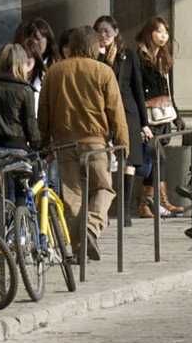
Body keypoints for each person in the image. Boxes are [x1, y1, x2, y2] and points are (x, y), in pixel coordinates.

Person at [37, 27, 130, 259]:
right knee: (103, 188)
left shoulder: (54, 72)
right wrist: (123, 143)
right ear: (93, 46)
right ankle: (91, 227)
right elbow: (115, 111)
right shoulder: (103, 71)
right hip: (95, 141)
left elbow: (44, 111)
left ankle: (79, 249)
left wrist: (45, 141)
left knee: (72, 195)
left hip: (64, 142)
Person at [95, 17, 152, 214]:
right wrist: (99, 57)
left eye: (106, 31)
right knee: (105, 159)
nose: (102, 35)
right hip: (104, 111)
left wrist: (144, 123)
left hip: (128, 111)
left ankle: (125, 210)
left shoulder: (128, 56)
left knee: (129, 159)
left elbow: (138, 89)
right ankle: (106, 208)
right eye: (99, 31)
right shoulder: (95, 58)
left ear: (116, 31)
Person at [135, 20, 179, 217]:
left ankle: (158, 201)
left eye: (166, 32)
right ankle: (147, 202)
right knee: (155, 156)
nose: (164, 36)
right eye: (159, 31)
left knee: (159, 158)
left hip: (164, 115)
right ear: (149, 32)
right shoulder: (139, 58)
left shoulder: (163, 58)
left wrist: (177, 116)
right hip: (149, 116)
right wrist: (141, 121)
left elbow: (168, 90)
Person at [14, 18, 59, 102]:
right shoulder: (13, 67)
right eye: (28, 39)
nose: (33, 43)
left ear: (48, 40)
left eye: (38, 39)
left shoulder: (56, 68)